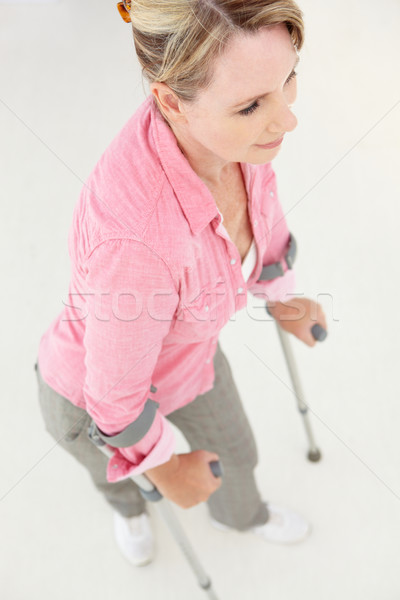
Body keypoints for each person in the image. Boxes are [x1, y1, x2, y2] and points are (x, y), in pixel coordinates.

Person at [35, 0, 327, 568]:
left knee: (236, 452)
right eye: (251, 105)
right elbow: (114, 400)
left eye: (287, 78)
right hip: (92, 399)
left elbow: (261, 211)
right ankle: (128, 509)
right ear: (170, 101)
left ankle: (245, 516)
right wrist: (164, 467)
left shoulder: (236, 136)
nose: (286, 119)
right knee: (126, 482)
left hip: (185, 358)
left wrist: (281, 294)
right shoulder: (136, 241)